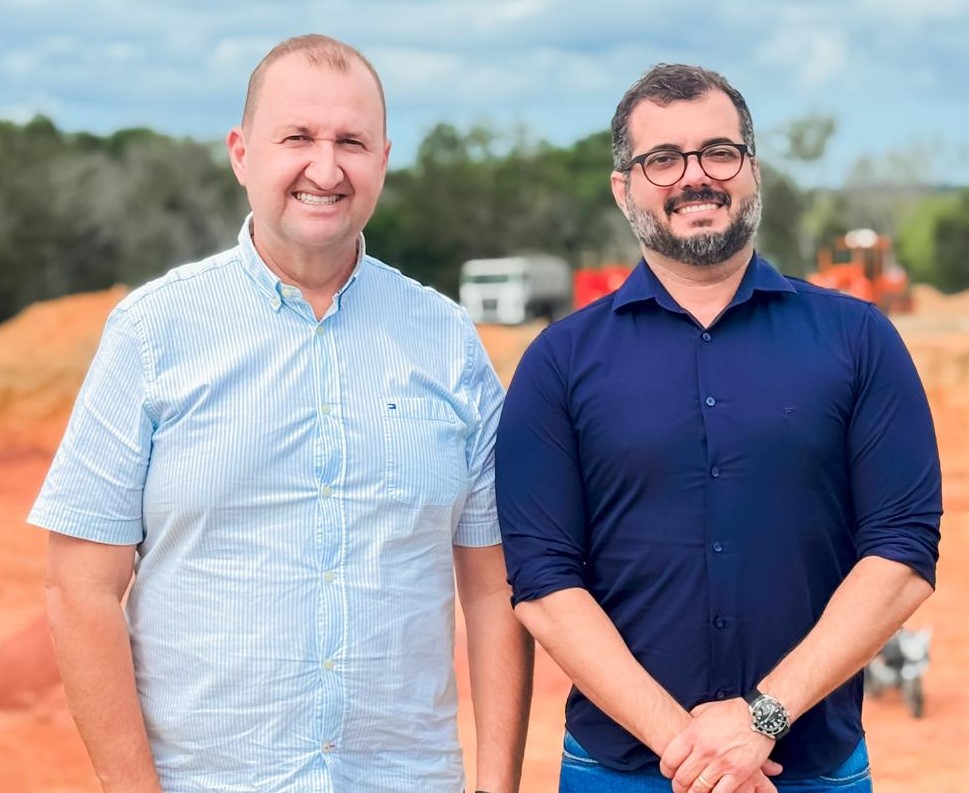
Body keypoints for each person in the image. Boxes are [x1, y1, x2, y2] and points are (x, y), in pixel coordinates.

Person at [29, 34, 532, 793]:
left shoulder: (448, 340)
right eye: (297, 137)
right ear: (241, 153)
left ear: (383, 159)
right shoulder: (151, 333)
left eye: (351, 143)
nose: (325, 169)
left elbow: (494, 588)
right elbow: (80, 587)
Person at [495, 63, 941, 793]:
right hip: (621, 772)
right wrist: (694, 747)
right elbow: (543, 579)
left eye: (718, 152)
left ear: (751, 169)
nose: (694, 176)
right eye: (662, 160)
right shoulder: (557, 362)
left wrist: (760, 718)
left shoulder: (859, 338)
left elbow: (901, 549)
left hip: (809, 771)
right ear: (624, 188)